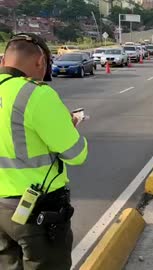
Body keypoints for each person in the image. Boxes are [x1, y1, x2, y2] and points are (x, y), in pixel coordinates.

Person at [0, 33, 88, 270]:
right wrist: (68, 127)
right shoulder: (36, 94)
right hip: (36, 211)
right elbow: (76, 154)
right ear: (40, 61)